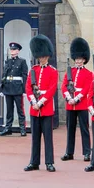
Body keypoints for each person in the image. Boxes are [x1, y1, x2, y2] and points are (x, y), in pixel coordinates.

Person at [24, 35, 58, 173]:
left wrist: (41, 101)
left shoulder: (52, 71)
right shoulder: (33, 70)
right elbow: (28, 87)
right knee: (35, 137)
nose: (42, 58)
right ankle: (34, 162)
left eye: (44, 56)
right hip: (34, 108)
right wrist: (33, 102)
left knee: (48, 138)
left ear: (48, 56)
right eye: (40, 56)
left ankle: (49, 162)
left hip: (46, 108)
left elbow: (52, 89)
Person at [61, 37, 94, 162]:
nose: (78, 61)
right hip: (70, 104)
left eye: (81, 59)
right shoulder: (69, 72)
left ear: (84, 60)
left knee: (84, 129)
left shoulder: (88, 73)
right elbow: (64, 86)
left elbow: (87, 88)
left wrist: (77, 98)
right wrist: (69, 98)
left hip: (82, 105)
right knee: (70, 129)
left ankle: (87, 152)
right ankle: (69, 152)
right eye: (77, 59)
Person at [0, 42, 29, 136]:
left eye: (14, 49)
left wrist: (24, 90)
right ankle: (8, 128)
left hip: (18, 88)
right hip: (8, 88)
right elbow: (4, 75)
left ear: (18, 51)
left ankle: (22, 128)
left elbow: (25, 76)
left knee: (20, 109)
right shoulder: (8, 61)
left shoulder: (22, 61)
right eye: (11, 50)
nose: (13, 51)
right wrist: (2, 88)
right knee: (9, 110)